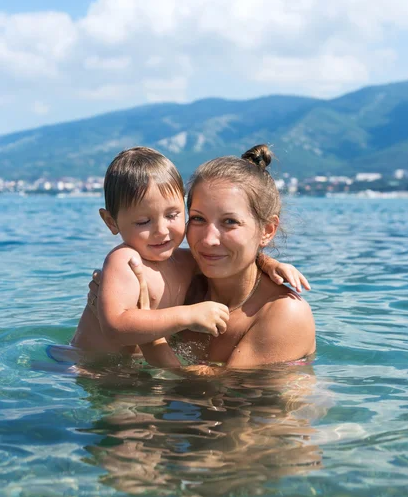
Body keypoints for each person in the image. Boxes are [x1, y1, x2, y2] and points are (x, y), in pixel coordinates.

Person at [68, 146, 309, 368]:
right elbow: (116, 326)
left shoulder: (284, 313)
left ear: (267, 230)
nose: (208, 240)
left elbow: (222, 396)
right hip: (85, 372)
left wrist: (268, 262)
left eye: (229, 222)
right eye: (198, 219)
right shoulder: (158, 269)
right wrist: (183, 316)